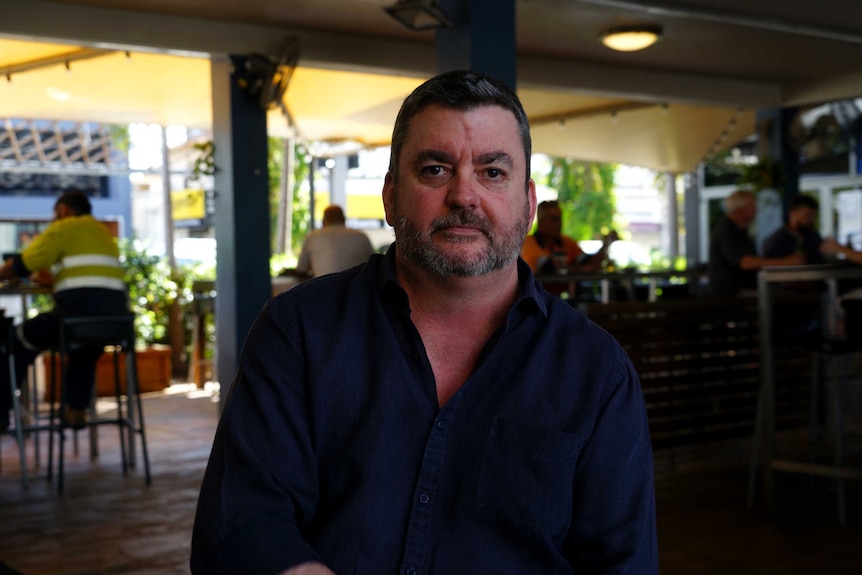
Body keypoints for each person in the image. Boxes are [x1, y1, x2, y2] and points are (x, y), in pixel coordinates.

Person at [191, 69, 657, 575]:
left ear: (527, 204)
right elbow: (238, 522)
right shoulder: (299, 333)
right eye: (436, 169)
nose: (463, 195)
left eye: (492, 172)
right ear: (391, 197)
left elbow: (622, 563)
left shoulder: (596, 372)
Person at [0, 191, 128, 431]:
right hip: (116, 323)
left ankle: (2, 413)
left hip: (75, 319)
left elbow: (21, 265)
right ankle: (75, 408)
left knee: (14, 340)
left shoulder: (63, 227)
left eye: (55, 214)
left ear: (64, 211)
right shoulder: (103, 232)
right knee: (84, 346)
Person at [708, 189, 805, 296]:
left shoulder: (740, 229)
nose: (756, 209)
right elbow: (746, 263)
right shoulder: (727, 230)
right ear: (741, 209)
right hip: (732, 294)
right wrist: (785, 262)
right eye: (752, 205)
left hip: (743, 290)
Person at [520, 200, 616, 274]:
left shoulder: (566, 242)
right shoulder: (528, 243)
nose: (559, 223)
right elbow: (550, 270)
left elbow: (589, 262)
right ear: (541, 221)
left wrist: (606, 244)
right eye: (554, 219)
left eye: (560, 219)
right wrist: (582, 268)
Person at [294, 204, 375, 278]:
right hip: (359, 290)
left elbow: (301, 269)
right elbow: (373, 265)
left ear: (323, 221)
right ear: (343, 219)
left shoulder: (313, 237)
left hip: (324, 289)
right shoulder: (361, 236)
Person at [762, 194, 824, 263]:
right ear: (793, 214)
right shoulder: (775, 242)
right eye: (807, 216)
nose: (811, 220)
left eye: (813, 216)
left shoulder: (814, 237)